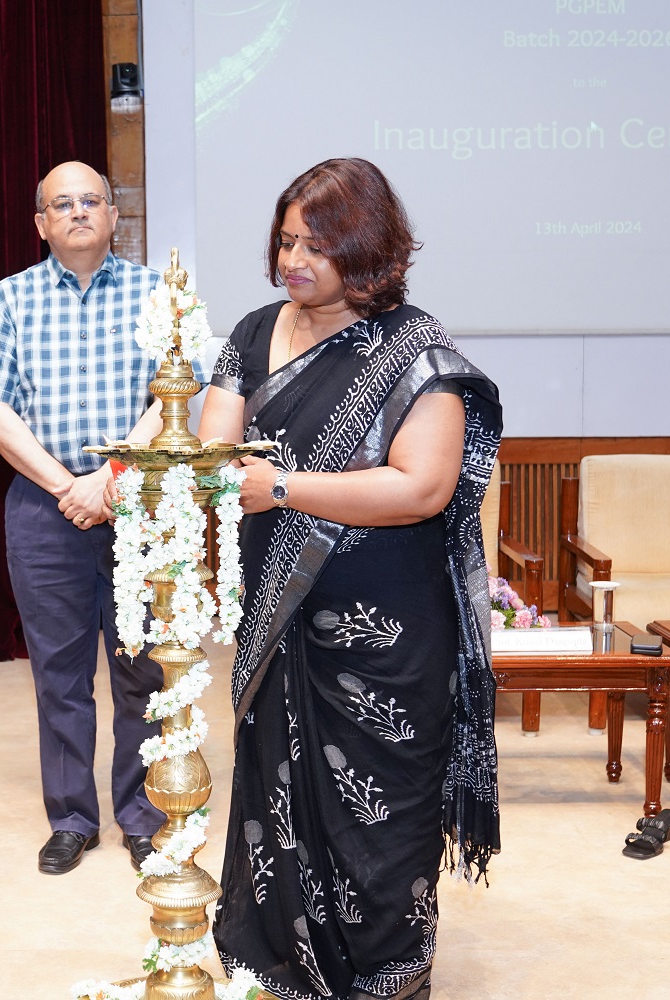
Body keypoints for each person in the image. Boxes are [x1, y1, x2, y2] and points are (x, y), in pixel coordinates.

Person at [201, 158, 501, 1000]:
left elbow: (422, 487)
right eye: (285, 240)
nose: (293, 259)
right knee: (277, 796)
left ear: (367, 251)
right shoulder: (255, 332)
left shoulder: (416, 352)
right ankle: (285, 973)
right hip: (280, 612)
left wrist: (284, 486)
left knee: (382, 817)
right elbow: (219, 441)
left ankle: (383, 978)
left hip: (385, 634)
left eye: (316, 245)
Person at [0, 160, 167, 875]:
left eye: (90, 201)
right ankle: (72, 818)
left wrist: (108, 480)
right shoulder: (10, 298)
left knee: (140, 670)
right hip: (44, 511)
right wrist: (68, 487)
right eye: (60, 204)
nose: (77, 212)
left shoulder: (156, 293)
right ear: (40, 223)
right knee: (60, 674)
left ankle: (140, 814)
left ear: (114, 216)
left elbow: (177, 400)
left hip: (136, 505)